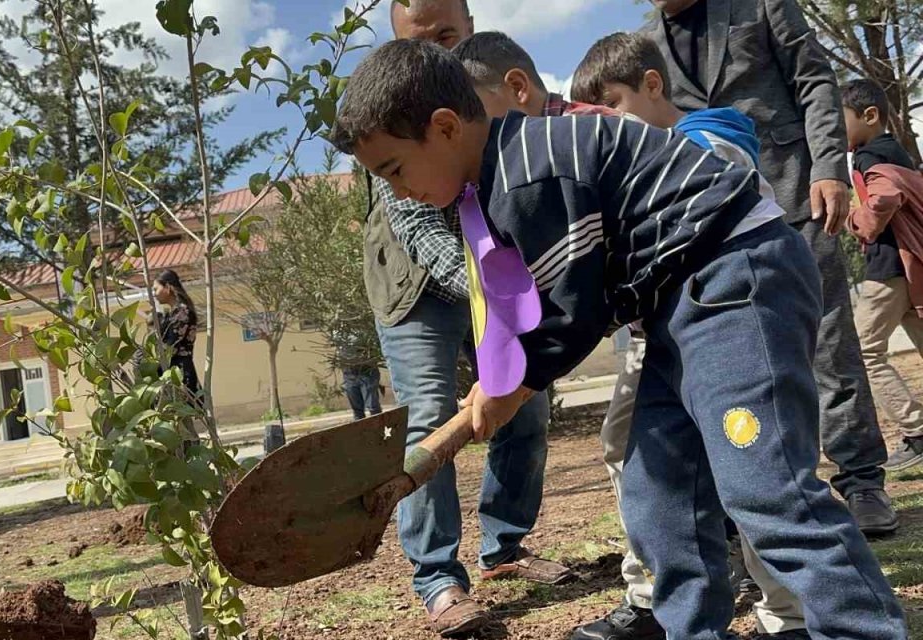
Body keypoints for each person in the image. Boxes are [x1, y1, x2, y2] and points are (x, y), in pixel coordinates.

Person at [331, 37, 907, 640]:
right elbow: (523, 308)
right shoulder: (495, 185)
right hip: (671, 306)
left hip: (736, 279)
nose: (398, 192)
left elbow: (573, 308)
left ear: (445, 127)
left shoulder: (531, 173)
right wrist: (493, 382)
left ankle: (860, 627)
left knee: (767, 491)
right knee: (660, 495)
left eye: (394, 169)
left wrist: (519, 383)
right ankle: (692, 629)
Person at [570, 32, 850, 639]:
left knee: (757, 468)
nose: (608, 124)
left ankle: (793, 613)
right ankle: (655, 593)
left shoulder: (711, 138)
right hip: (657, 333)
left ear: (652, 84)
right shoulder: (620, 165)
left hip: (731, 318)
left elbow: (702, 204)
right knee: (634, 454)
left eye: (613, 104)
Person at [638, 0, 896, 532]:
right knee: (733, 356)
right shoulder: (644, 42)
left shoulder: (760, 3)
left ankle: (862, 478)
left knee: (829, 339)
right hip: (709, 220)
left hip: (798, 192)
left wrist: (829, 169)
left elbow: (816, 81)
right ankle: (750, 495)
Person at [363, 4, 566, 636]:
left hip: (494, 269)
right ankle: (438, 579)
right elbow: (422, 228)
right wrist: (496, 307)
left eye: (449, 36)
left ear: (470, 23)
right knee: (429, 411)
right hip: (414, 285)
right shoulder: (387, 108)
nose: (441, 54)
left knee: (527, 402)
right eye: (423, 43)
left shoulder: (494, 89)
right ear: (400, 45)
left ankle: (506, 546)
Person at [843, 78, 923, 473]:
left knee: (866, 350)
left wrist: (857, 220)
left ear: (869, 116)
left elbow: (885, 197)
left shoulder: (869, 154)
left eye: (838, 120)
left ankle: (916, 430)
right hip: (910, 269)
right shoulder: (898, 152)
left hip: (888, 268)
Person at [152, 269, 202, 406]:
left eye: (156, 289)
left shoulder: (182, 313)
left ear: (167, 288)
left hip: (179, 373)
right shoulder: (172, 313)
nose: (154, 295)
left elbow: (170, 347)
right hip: (171, 371)